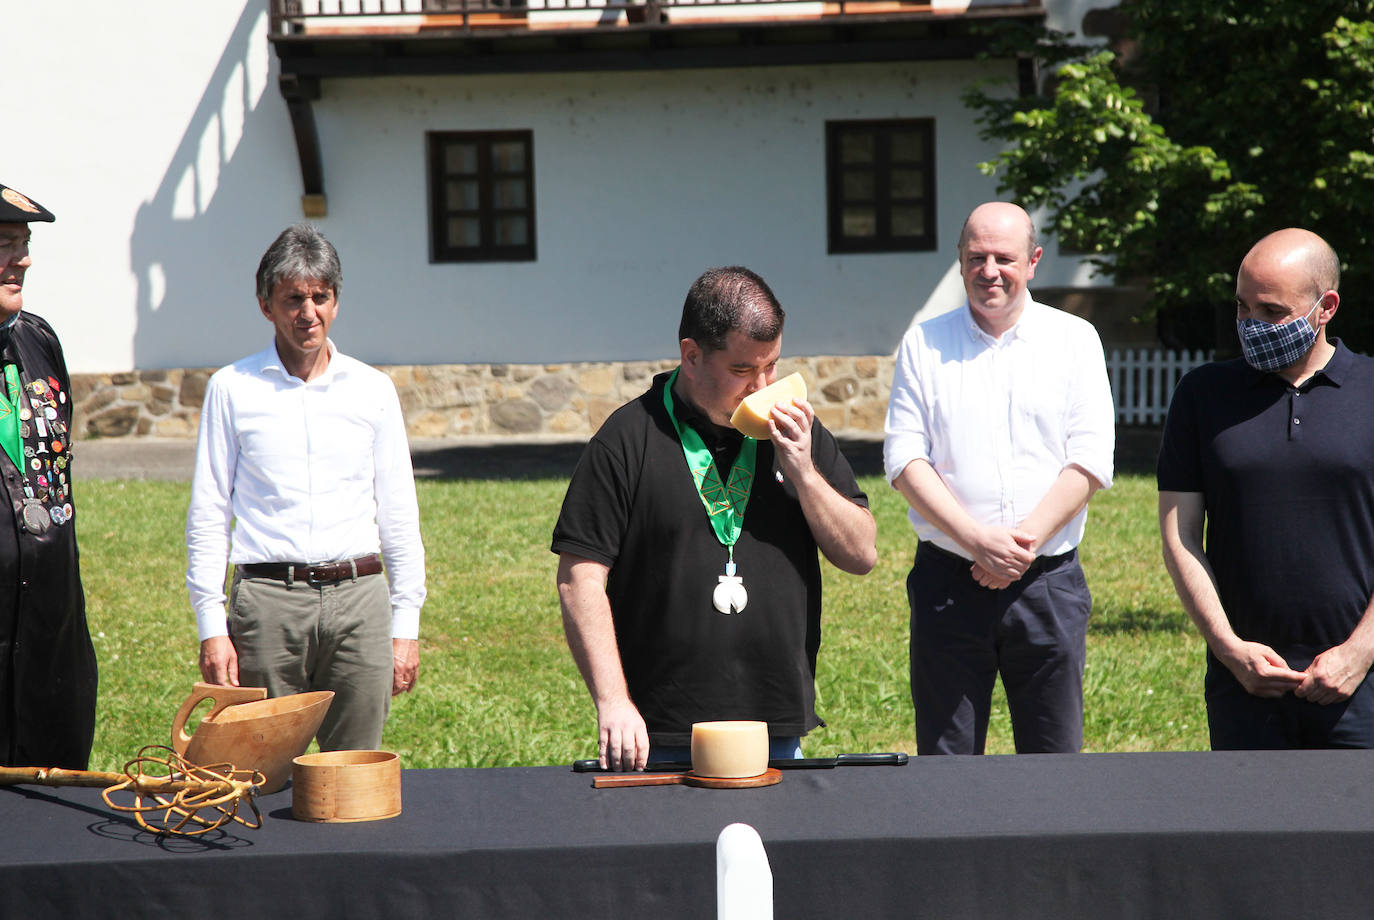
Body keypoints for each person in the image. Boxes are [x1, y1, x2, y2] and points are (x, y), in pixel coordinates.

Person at [552, 266, 877, 771]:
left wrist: (804, 473)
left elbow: (861, 555)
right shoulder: (627, 439)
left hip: (775, 726)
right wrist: (613, 702)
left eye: (772, 366)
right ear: (692, 355)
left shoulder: (797, 435)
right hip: (658, 731)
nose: (763, 386)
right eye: (744, 370)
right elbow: (579, 580)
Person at [883, 201, 1115, 755]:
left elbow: (1090, 460)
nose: (990, 270)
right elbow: (905, 460)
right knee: (947, 763)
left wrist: (1018, 546)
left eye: (1004, 258)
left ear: (1033, 261)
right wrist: (977, 542)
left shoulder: (1074, 340)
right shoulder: (924, 344)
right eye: (976, 257)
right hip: (949, 584)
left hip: (1047, 584)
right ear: (960, 262)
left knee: (1054, 758)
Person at [186, 224, 425, 752]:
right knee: (258, 772)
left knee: (354, 773)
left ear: (337, 302)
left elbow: (399, 514)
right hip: (268, 604)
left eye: (321, 296)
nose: (308, 312)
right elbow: (208, 512)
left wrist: (405, 625)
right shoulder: (232, 389)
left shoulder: (372, 391)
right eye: (293, 298)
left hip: (360, 602)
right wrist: (211, 625)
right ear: (265, 304)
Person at [1158, 228, 1374, 749]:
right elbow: (1180, 535)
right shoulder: (1203, 395)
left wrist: (1359, 653)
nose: (1250, 324)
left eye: (1271, 311)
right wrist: (1230, 649)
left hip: (1363, 686)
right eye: (1241, 307)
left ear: (1326, 307)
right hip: (1245, 687)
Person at [0, 183, 97, 769]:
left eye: (25, 243)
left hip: (49, 644)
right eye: (8, 243)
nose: (25, 259)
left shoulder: (38, 340)